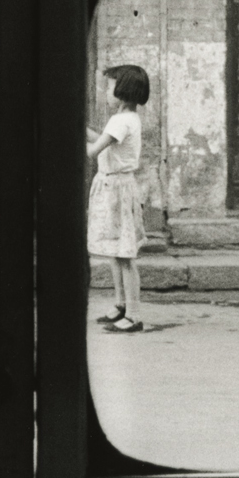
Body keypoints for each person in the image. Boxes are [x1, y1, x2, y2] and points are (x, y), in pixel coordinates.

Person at [86, 65, 151, 334]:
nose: (106, 91)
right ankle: (121, 305)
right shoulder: (127, 118)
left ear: (123, 90)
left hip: (116, 189)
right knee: (117, 251)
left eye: (110, 86)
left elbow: (93, 151)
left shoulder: (119, 121)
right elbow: (102, 140)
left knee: (124, 256)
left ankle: (133, 315)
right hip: (117, 187)